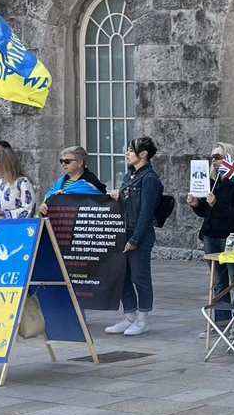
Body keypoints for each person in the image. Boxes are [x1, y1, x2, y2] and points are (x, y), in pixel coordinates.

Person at [187, 142, 234, 324]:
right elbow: (206, 212)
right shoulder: (212, 182)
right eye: (213, 157)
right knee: (218, 281)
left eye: (218, 157)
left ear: (230, 159)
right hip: (210, 235)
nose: (214, 161)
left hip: (230, 236)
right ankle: (221, 322)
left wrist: (217, 203)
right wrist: (196, 205)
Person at [106, 137, 163, 337]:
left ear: (143, 154)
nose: (127, 154)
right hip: (124, 231)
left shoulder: (150, 179)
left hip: (140, 234)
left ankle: (143, 318)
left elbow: (145, 213)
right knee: (122, 276)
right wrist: (118, 197)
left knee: (140, 277)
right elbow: (127, 203)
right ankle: (129, 315)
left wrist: (134, 240)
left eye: (131, 151)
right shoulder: (130, 176)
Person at [40, 146, 108, 214]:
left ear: (80, 163)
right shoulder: (61, 181)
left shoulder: (90, 183)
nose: (63, 164)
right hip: (60, 221)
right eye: (61, 161)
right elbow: (49, 197)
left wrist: (67, 197)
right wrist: (44, 205)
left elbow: (100, 203)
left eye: (67, 161)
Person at [0, 148, 37, 219]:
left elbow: (28, 210)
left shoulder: (22, 182)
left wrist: (3, 213)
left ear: (5, 164)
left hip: (16, 228)